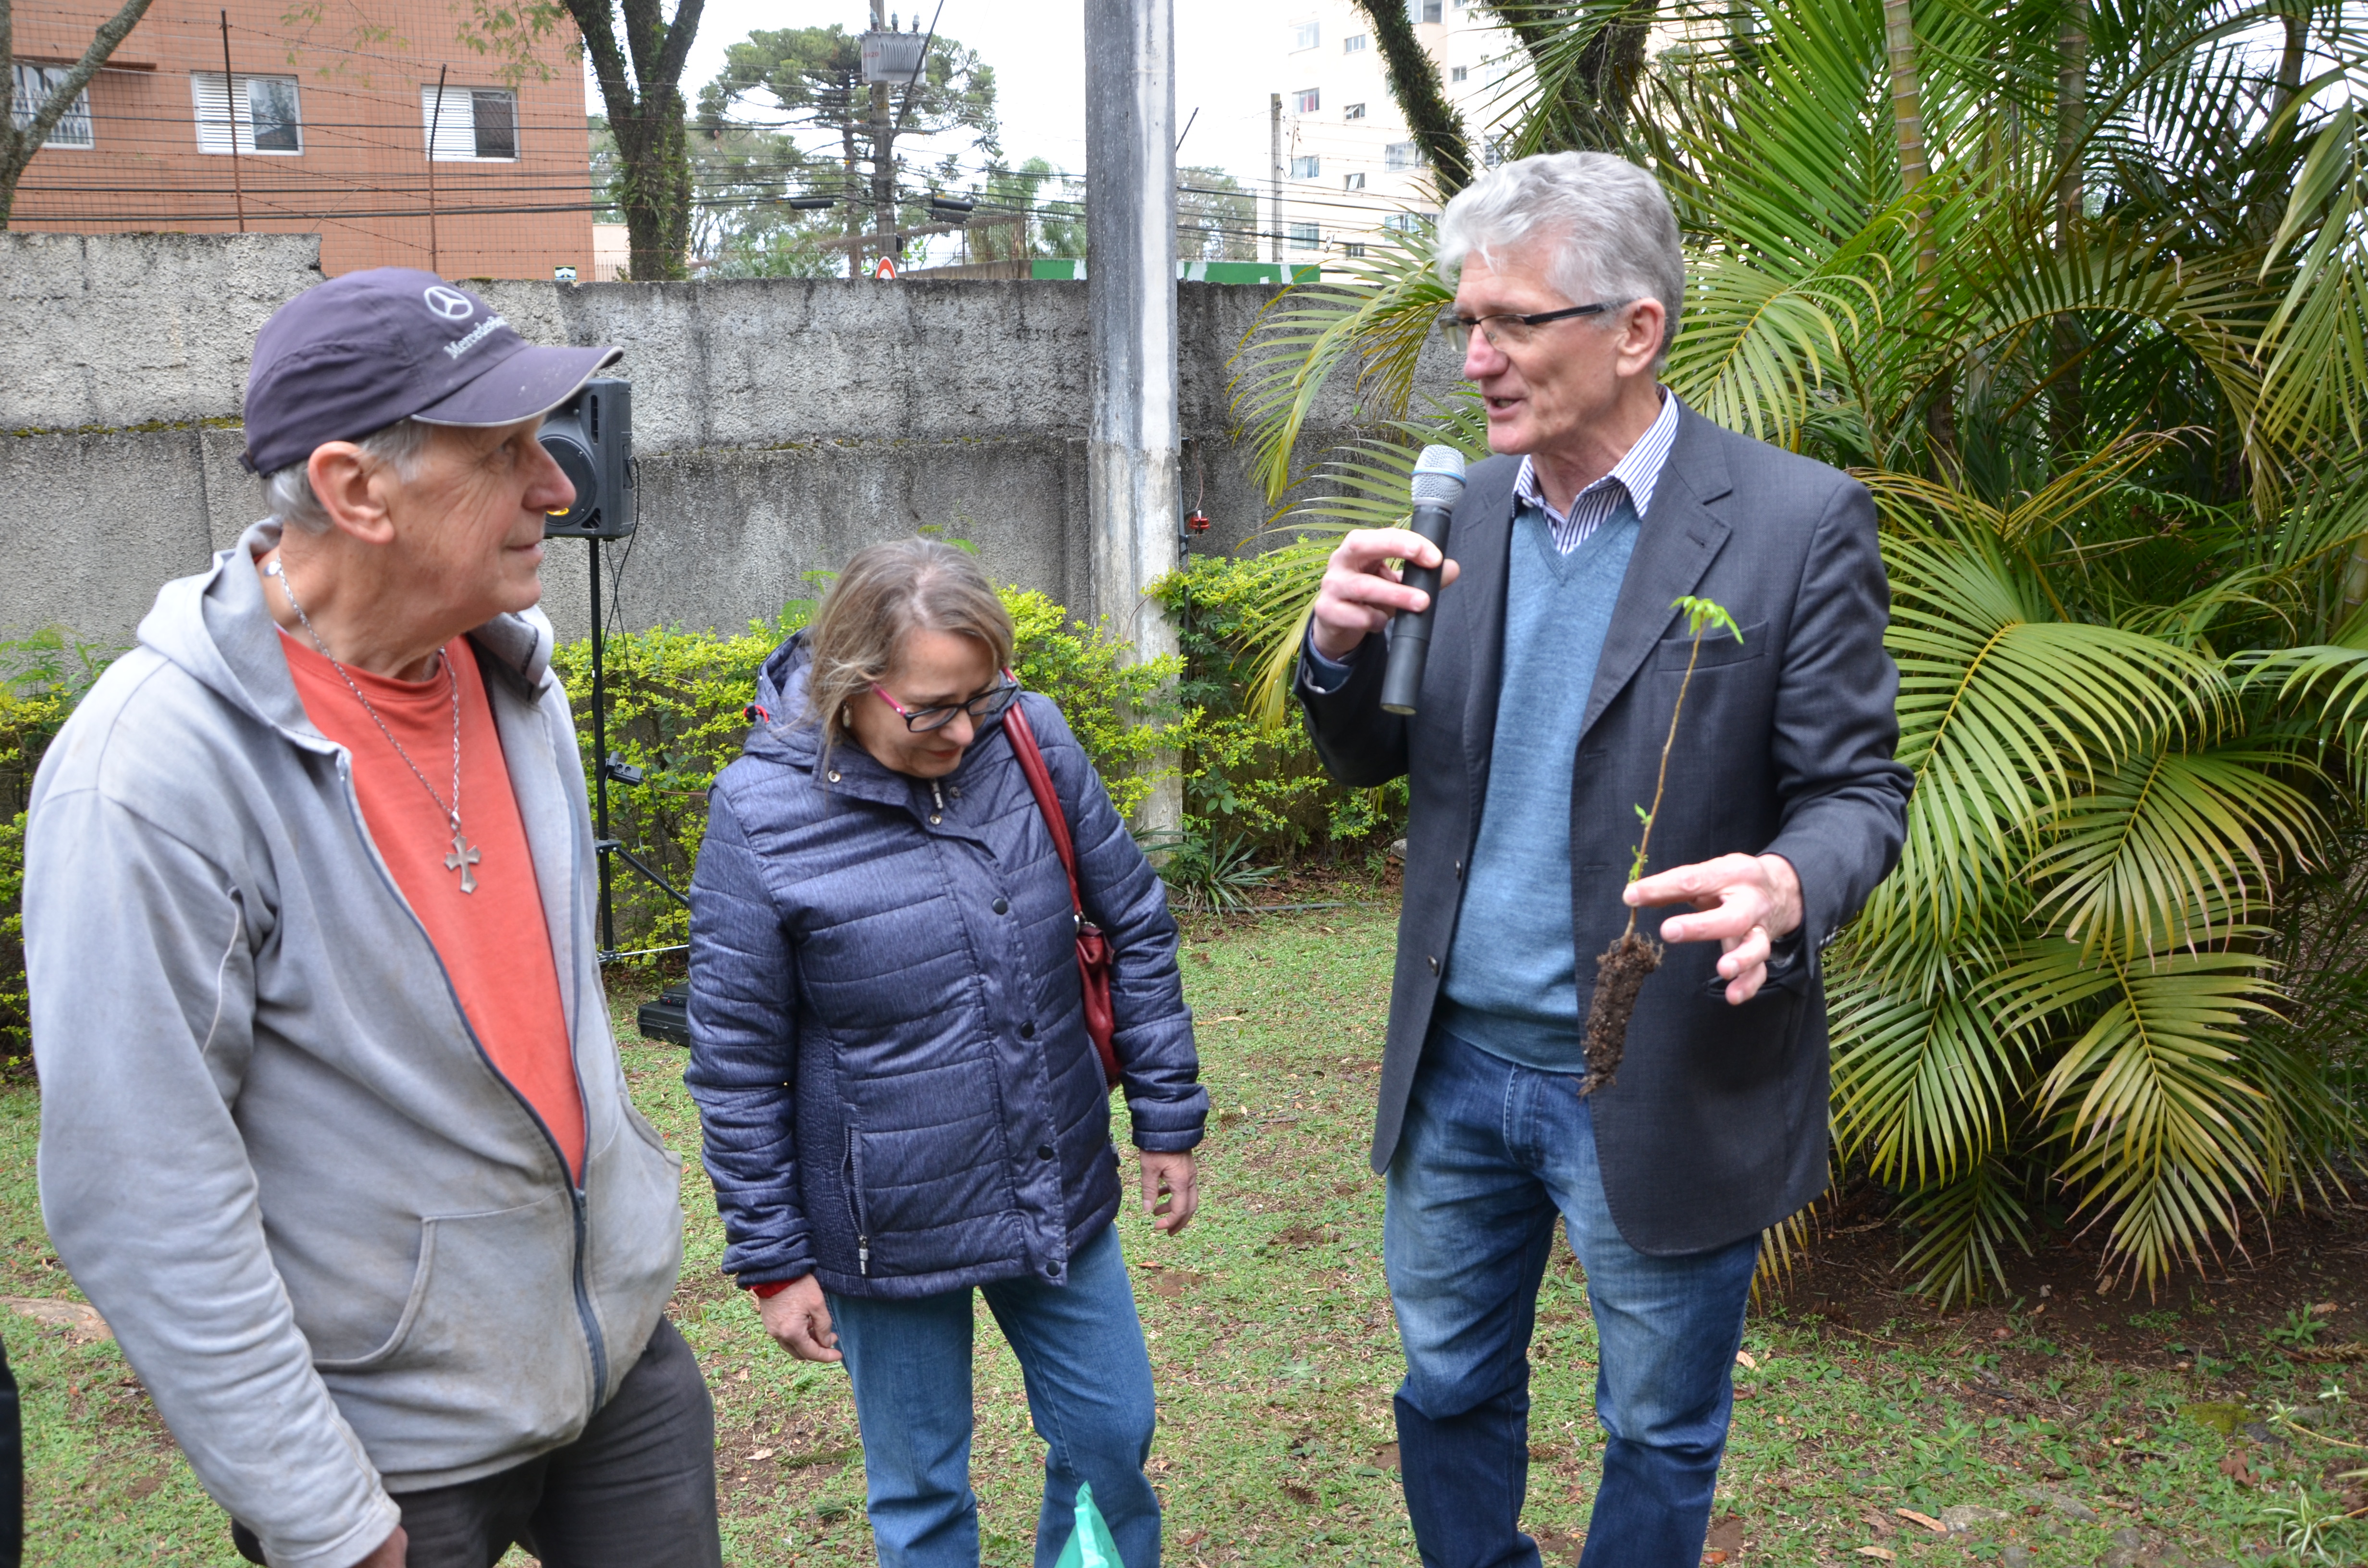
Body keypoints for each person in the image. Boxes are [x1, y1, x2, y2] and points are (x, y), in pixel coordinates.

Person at [25, 270, 714, 1568]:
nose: (557, 488)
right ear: (354, 490)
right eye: (506, 453)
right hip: (388, 1454)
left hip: (615, 1365)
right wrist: (321, 1516)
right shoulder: (154, 773)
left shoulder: (512, 676)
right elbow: (145, 1192)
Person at [1297, 152, 1913, 1568]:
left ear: (1635, 331)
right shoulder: (1459, 519)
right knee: (1445, 1384)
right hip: (1454, 1060)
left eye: (1513, 323)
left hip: (1664, 1062)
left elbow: (1856, 789)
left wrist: (1791, 882)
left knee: (1658, 1422)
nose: (1476, 360)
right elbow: (1371, 758)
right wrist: (1335, 657)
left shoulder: (1791, 520)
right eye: (1468, 323)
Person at [685, 537, 1207, 1568]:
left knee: (1109, 1438)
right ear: (852, 686)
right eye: (933, 709)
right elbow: (735, 1061)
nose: (965, 729)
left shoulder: (1029, 740)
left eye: (984, 694)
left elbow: (1135, 925)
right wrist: (773, 1261)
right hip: (885, 1231)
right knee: (921, 1495)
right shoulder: (759, 813)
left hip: (1049, 1176)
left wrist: (1166, 1117)